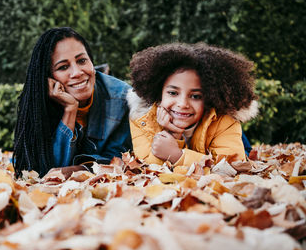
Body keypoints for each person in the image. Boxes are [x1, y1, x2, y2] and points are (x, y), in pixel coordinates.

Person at [13, 27, 132, 177]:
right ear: (49, 77)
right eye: (63, 67)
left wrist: (79, 170)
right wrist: (70, 109)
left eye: (82, 60)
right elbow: (42, 171)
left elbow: (116, 161)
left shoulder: (122, 98)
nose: (77, 72)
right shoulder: (39, 104)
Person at [127, 42, 258, 166]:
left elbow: (230, 168)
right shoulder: (142, 118)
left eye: (195, 96)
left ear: (209, 98)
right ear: (159, 93)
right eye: (173, 93)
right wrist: (174, 134)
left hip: (216, 128)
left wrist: (178, 156)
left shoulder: (225, 121)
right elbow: (148, 169)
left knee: (244, 152)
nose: (183, 104)